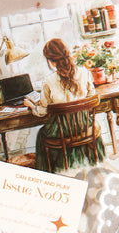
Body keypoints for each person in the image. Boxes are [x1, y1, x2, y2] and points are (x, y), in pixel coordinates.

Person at [24, 37, 105, 172]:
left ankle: (54, 170)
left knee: (41, 134)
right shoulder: (84, 72)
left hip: (60, 130)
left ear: (51, 61)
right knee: (85, 127)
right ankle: (88, 161)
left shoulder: (48, 81)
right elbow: (91, 95)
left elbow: (42, 111)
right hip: (83, 125)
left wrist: (32, 106)